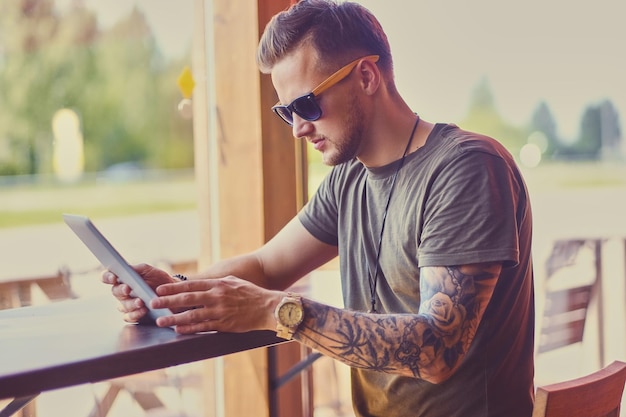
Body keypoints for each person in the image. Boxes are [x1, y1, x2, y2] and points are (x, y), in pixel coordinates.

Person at [103, 1, 535, 416]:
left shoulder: (467, 168)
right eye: (285, 111)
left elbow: (437, 350)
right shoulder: (350, 180)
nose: (297, 129)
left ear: (366, 76)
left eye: (306, 105)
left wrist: (273, 310)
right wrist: (178, 291)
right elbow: (266, 266)